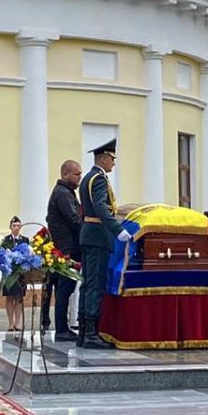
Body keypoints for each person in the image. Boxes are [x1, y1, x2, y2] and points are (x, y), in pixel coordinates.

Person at [77, 140, 123, 349]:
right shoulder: (99, 179)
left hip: (90, 235)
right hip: (98, 236)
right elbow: (101, 207)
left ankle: (83, 331)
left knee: (87, 284)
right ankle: (91, 334)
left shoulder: (88, 177)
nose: (113, 163)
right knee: (95, 284)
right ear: (103, 158)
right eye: (112, 159)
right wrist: (118, 229)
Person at [43, 160, 83, 341]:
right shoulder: (62, 194)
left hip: (66, 248)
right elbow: (74, 220)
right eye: (77, 174)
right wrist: (88, 231)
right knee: (65, 289)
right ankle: (61, 329)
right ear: (65, 174)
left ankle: (63, 327)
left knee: (65, 289)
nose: (80, 177)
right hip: (66, 249)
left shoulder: (66, 192)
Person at [0, 216, 31, 336]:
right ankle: (10, 323)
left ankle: (18, 323)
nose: (16, 228)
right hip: (9, 273)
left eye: (18, 226)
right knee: (9, 298)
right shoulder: (5, 240)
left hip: (20, 274)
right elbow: (2, 255)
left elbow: (28, 255)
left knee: (19, 298)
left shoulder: (25, 240)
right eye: (14, 226)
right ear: (10, 227)